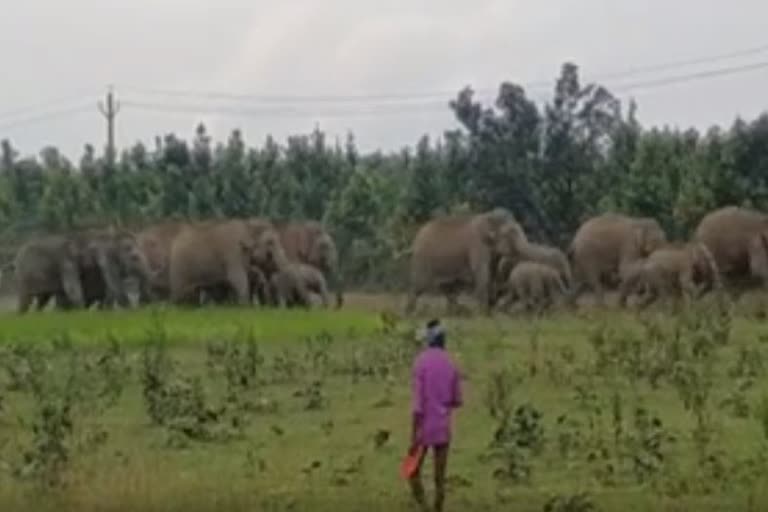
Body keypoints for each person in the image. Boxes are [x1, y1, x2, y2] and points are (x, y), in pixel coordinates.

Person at [408, 319, 463, 512]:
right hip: (442, 427)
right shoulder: (451, 363)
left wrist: (413, 436)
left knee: (412, 472)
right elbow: (457, 400)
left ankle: (424, 507)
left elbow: (417, 405)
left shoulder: (420, 363)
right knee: (440, 478)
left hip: (423, 428)